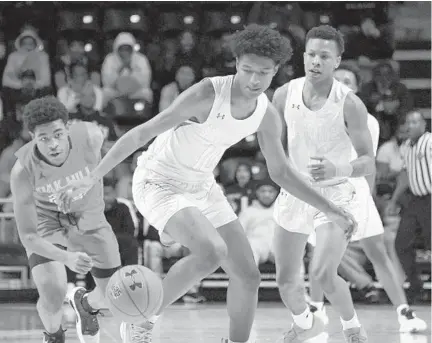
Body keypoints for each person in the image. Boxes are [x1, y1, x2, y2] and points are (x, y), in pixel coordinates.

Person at [56, 24, 356, 343]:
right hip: (158, 180)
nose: (254, 80)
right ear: (236, 62)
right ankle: (141, 320)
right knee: (211, 252)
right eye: (247, 70)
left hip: (202, 186)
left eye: (264, 73)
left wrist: (332, 210)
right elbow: (142, 133)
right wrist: (92, 177)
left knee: (248, 274)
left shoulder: (266, 115)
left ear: (276, 71)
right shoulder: (206, 93)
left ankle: (88, 303)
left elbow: (281, 173)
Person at [271, 25, 377, 343]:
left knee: (322, 273)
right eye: (312, 54)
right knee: (285, 280)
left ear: (337, 61)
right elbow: (275, 144)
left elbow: (368, 162)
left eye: (324, 56)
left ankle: (352, 329)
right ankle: (307, 324)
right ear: (304, 56)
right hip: (295, 190)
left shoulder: (350, 104)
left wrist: (337, 167)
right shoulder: (282, 94)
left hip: (336, 193)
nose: (316, 61)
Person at [307, 64, 427, 333]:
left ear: (356, 88)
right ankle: (315, 309)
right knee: (317, 253)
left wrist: (369, 197)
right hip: (324, 194)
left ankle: (404, 313)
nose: (341, 83)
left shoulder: (368, 121)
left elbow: (368, 165)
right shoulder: (313, 117)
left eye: (347, 80)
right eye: (336, 79)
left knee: (378, 254)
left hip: (356, 192)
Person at [10, 96, 122, 343]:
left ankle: (86, 303)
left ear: (68, 128)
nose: (53, 144)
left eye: (58, 134)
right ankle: (53, 335)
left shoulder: (91, 135)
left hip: (90, 218)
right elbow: (28, 236)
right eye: (44, 138)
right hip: (48, 224)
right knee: (52, 294)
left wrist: (87, 182)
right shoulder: (22, 171)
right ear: (32, 137)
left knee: (114, 297)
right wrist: (67, 258)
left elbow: (118, 154)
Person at [388, 110, 431, 303]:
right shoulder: (405, 146)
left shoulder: (429, 142)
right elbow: (404, 177)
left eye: (416, 122)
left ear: (423, 125)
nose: (412, 125)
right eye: (409, 122)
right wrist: (394, 200)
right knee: (401, 244)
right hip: (415, 201)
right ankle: (416, 286)